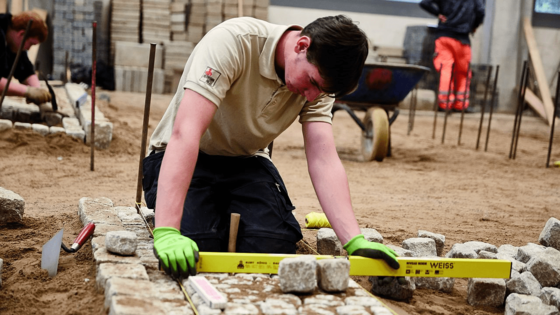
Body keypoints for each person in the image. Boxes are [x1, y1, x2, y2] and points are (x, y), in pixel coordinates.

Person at [142, 15, 400, 280]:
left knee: (272, 247)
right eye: (312, 82)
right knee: (199, 245)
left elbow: (324, 160)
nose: (311, 96)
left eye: (321, 92)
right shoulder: (233, 43)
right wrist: (168, 231)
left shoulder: (320, 85)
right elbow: (186, 134)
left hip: (245, 160)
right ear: (301, 46)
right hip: (183, 155)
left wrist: (354, 240)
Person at [420, 0, 485, 112]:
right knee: (463, 72)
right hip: (463, 39)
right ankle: (461, 104)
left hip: (444, 37)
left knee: (445, 70)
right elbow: (480, 11)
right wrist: (473, 26)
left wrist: (438, 14)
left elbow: (425, 3)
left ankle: (444, 104)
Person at [0, 11, 51, 105]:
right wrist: (28, 91)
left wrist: (37, 90)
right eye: (31, 44)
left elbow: (25, 70)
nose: (28, 48)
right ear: (21, 34)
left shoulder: (13, 43)